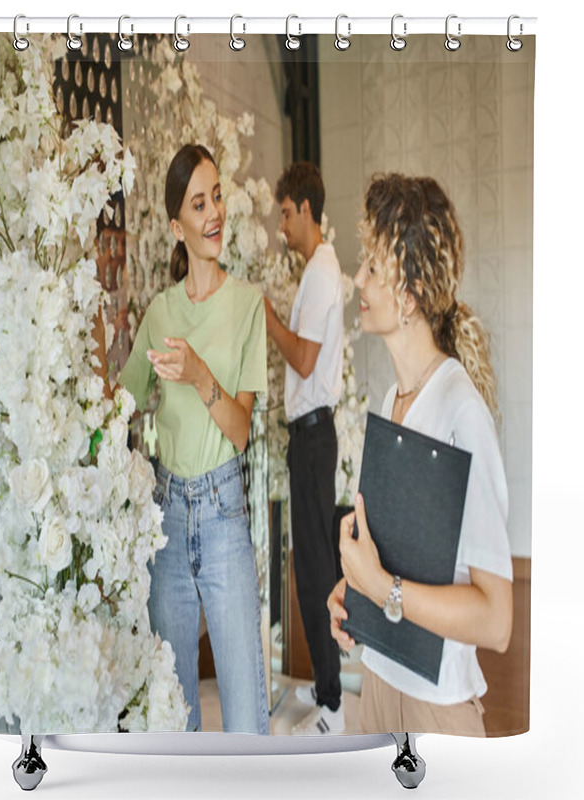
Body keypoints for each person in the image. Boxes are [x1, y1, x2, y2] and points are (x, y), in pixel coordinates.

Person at [327, 174, 513, 736]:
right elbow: (394, 562)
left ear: (408, 297)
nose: (357, 279)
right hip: (379, 683)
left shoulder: (462, 412)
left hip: (436, 708)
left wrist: (383, 589)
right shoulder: (392, 400)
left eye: (373, 269)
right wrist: (352, 592)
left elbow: (497, 619)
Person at [117, 144, 269, 734]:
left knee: (246, 717)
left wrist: (201, 374)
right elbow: (123, 403)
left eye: (217, 198)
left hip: (225, 512)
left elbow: (241, 431)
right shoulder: (160, 312)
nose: (214, 215)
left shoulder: (248, 304)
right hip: (168, 517)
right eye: (198, 204)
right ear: (177, 226)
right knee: (173, 716)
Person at [264, 162, 345, 735]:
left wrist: (266, 317)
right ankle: (325, 690)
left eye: (286, 214)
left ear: (306, 210)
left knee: (317, 574)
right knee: (311, 571)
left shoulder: (320, 272)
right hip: (308, 435)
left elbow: (305, 359)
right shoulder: (317, 270)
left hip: (315, 436)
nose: (282, 227)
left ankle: (335, 708)